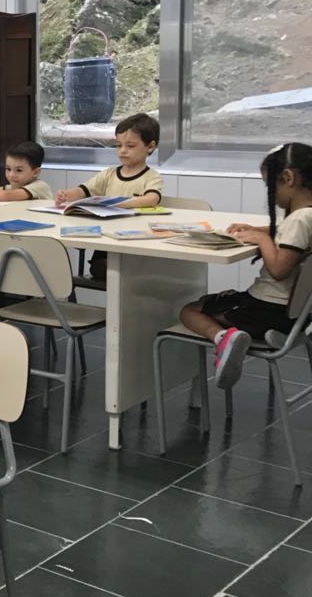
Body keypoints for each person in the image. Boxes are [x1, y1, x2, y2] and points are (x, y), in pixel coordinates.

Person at [178, 143, 312, 390]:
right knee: (211, 300)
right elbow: (291, 235)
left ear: (288, 178)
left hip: (268, 310)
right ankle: (229, 337)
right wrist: (259, 230)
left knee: (190, 310)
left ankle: (224, 339)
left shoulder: (299, 219)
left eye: (270, 186)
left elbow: (279, 270)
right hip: (297, 315)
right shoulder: (306, 216)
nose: (271, 195)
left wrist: (262, 239)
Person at [54, 112, 164, 281]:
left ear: (150, 146)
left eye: (130, 146)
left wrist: (120, 204)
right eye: (118, 145)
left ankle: (122, 268)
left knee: (129, 267)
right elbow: (84, 190)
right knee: (102, 267)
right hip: (106, 236)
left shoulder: (151, 177)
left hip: (135, 236)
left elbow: (151, 199)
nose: (122, 151)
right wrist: (67, 195)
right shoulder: (109, 174)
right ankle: (108, 267)